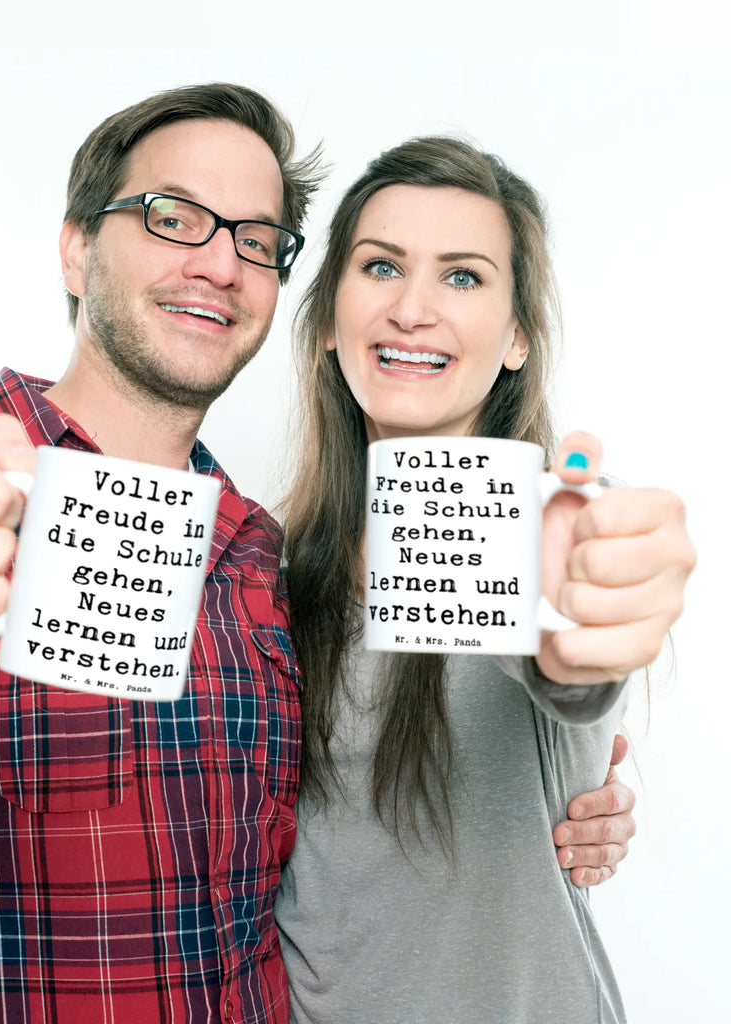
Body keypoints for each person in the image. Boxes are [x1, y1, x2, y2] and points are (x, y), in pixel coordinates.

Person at [0, 84, 645, 1024]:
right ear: (77, 248)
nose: (218, 263)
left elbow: (553, 666)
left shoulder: (259, 559)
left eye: (255, 238)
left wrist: (581, 742)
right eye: (173, 217)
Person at [275, 136, 696, 1023]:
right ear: (327, 321)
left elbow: (570, 664)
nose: (413, 309)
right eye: (381, 266)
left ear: (516, 339)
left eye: (462, 277)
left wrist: (588, 630)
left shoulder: (554, 528)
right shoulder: (271, 570)